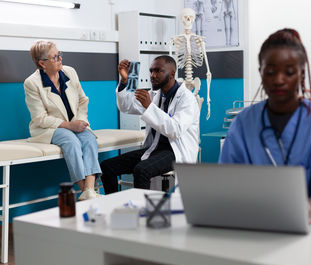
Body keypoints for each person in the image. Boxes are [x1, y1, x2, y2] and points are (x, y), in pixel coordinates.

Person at [220, 29, 311, 223]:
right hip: (260, 221)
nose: (279, 80)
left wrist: (309, 205)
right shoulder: (243, 123)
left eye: (289, 72)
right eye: (270, 72)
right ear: (261, 73)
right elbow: (228, 182)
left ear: (301, 74)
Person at [101, 56, 200, 193]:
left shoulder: (187, 98)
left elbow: (175, 130)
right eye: (151, 71)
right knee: (107, 167)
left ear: (172, 74)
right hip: (155, 148)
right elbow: (126, 106)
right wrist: (124, 81)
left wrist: (149, 107)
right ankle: (111, 208)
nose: (152, 75)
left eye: (158, 71)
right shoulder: (154, 95)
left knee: (141, 170)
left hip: (175, 151)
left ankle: (143, 213)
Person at [24, 40, 101, 200]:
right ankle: (84, 191)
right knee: (70, 141)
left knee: (89, 138)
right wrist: (69, 125)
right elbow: (40, 118)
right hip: (49, 129)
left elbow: (82, 100)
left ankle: (89, 190)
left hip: (76, 123)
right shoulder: (32, 83)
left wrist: (79, 121)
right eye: (55, 57)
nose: (60, 59)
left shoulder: (69, 72)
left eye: (60, 55)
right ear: (42, 63)